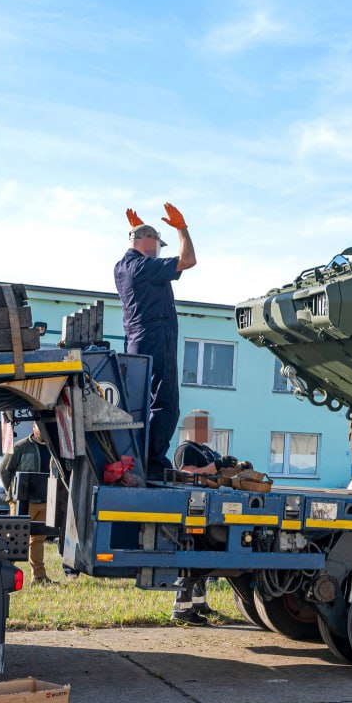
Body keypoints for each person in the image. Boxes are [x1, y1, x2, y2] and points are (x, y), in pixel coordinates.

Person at [113, 203, 197, 480]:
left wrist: (139, 230)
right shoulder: (143, 267)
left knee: (141, 402)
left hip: (137, 340)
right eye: (158, 244)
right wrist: (182, 228)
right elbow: (188, 260)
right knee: (166, 403)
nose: (161, 249)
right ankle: (153, 463)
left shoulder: (122, 266)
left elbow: (139, 242)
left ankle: (140, 458)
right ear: (148, 243)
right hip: (156, 337)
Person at [170, 409, 222, 626]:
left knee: (204, 558)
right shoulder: (185, 450)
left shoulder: (207, 450)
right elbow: (188, 474)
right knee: (193, 560)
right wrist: (215, 467)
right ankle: (181, 609)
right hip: (194, 511)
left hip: (208, 511)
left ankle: (199, 604)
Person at [0, 422, 53, 585]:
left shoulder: (54, 448)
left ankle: (38, 577)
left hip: (45, 500)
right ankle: (3, 573)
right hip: (22, 501)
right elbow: (4, 471)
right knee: (14, 538)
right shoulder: (20, 447)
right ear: (33, 427)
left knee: (38, 539)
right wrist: (13, 492)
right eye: (39, 427)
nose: (43, 430)